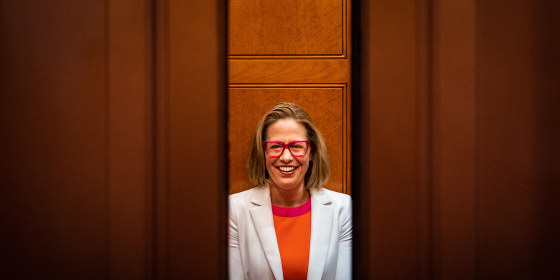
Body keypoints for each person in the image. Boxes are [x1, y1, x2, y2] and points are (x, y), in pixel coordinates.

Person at [229, 102, 352, 280]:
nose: (286, 157)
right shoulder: (234, 209)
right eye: (275, 146)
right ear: (262, 152)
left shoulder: (343, 209)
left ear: (312, 152)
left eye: (296, 146)